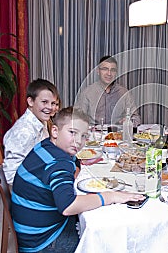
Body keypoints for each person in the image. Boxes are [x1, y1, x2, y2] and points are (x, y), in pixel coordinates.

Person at [11, 107, 145, 252]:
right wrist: (111, 196)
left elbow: (75, 161)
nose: (78, 141)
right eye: (72, 132)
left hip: (30, 229)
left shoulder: (46, 146)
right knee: (102, 241)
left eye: (84, 136)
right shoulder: (59, 162)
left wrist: (72, 170)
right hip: (44, 241)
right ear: (55, 131)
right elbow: (67, 206)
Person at [2, 79, 59, 185]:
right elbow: (10, 177)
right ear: (30, 101)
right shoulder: (24, 132)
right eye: (44, 102)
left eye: (53, 103)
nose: (50, 108)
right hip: (29, 189)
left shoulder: (41, 121)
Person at [76, 55, 140, 126]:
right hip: (94, 135)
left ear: (116, 73)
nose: (109, 73)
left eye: (113, 70)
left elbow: (136, 118)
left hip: (117, 135)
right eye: (105, 69)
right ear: (98, 71)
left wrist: (129, 121)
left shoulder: (124, 93)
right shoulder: (87, 93)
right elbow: (77, 119)